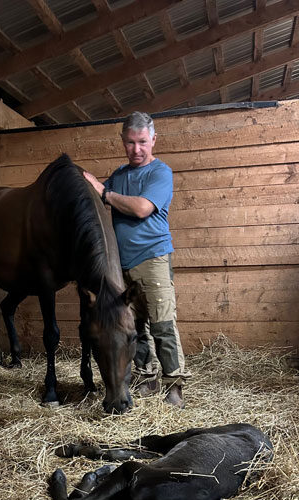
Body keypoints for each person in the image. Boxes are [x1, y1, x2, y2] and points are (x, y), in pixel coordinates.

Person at [84, 111, 190, 407]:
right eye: (130, 142)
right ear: (122, 141)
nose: (136, 149)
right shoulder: (118, 176)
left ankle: (174, 387)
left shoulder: (160, 173)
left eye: (142, 142)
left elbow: (143, 208)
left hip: (152, 257)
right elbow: (93, 194)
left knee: (163, 323)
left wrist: (105, 193)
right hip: (121, 265)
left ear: (153, 140)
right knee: (135, 325)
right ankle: (148, 377)